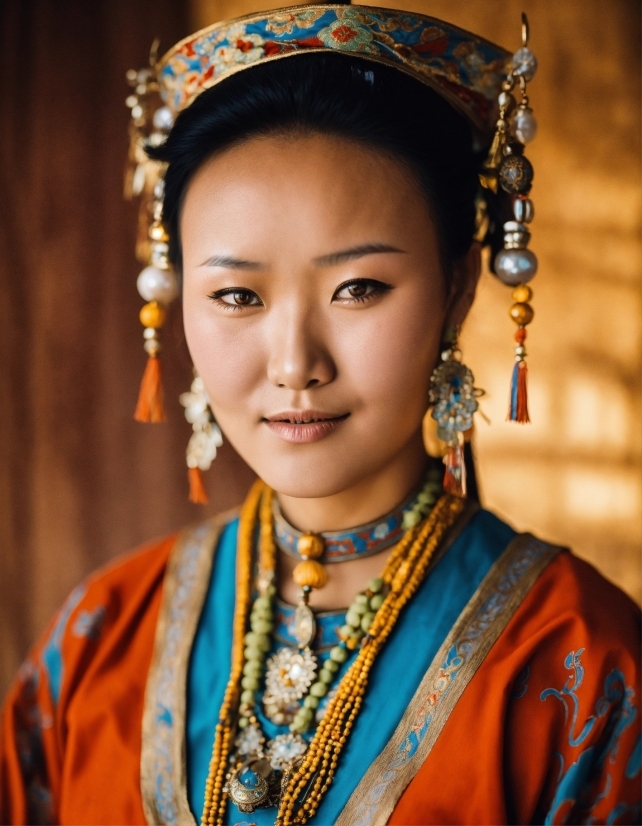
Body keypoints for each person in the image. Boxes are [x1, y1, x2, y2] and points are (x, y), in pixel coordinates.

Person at [1, 5, 640, 825]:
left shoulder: (580, 664)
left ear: (459, 287)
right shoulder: (100, 641)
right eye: (237, 295)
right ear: (175, 299)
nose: (296, 363)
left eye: (359, 289)